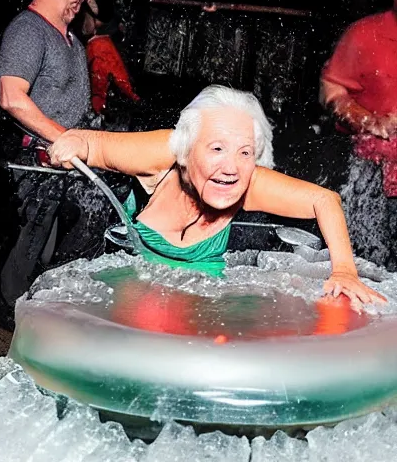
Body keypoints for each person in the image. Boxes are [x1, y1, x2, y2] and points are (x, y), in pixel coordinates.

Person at [49, 84, 387, 309]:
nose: (232, 168)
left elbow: (324, 200)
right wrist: (73, 144)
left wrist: (344, 271)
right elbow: (91, 144)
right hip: (125, 292)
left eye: (244, 152)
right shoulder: (162, 155)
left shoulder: (249, 182)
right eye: (217, 148)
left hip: (201, 299)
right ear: (188, 149)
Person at [0, 0, 130, 321]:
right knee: (34, 235)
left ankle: (47, 299)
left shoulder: (70, 37)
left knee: (62, 235)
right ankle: (10, 308)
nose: (80, 0)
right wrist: (65, 139)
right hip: (38, 158)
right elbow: (11, 97)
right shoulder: (29, 29)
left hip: (66, 159)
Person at [320, 0, 397, 270]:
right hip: (366, 167)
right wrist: (368, 120)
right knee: (367, 264)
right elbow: (331, 91)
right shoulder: (364, 34)